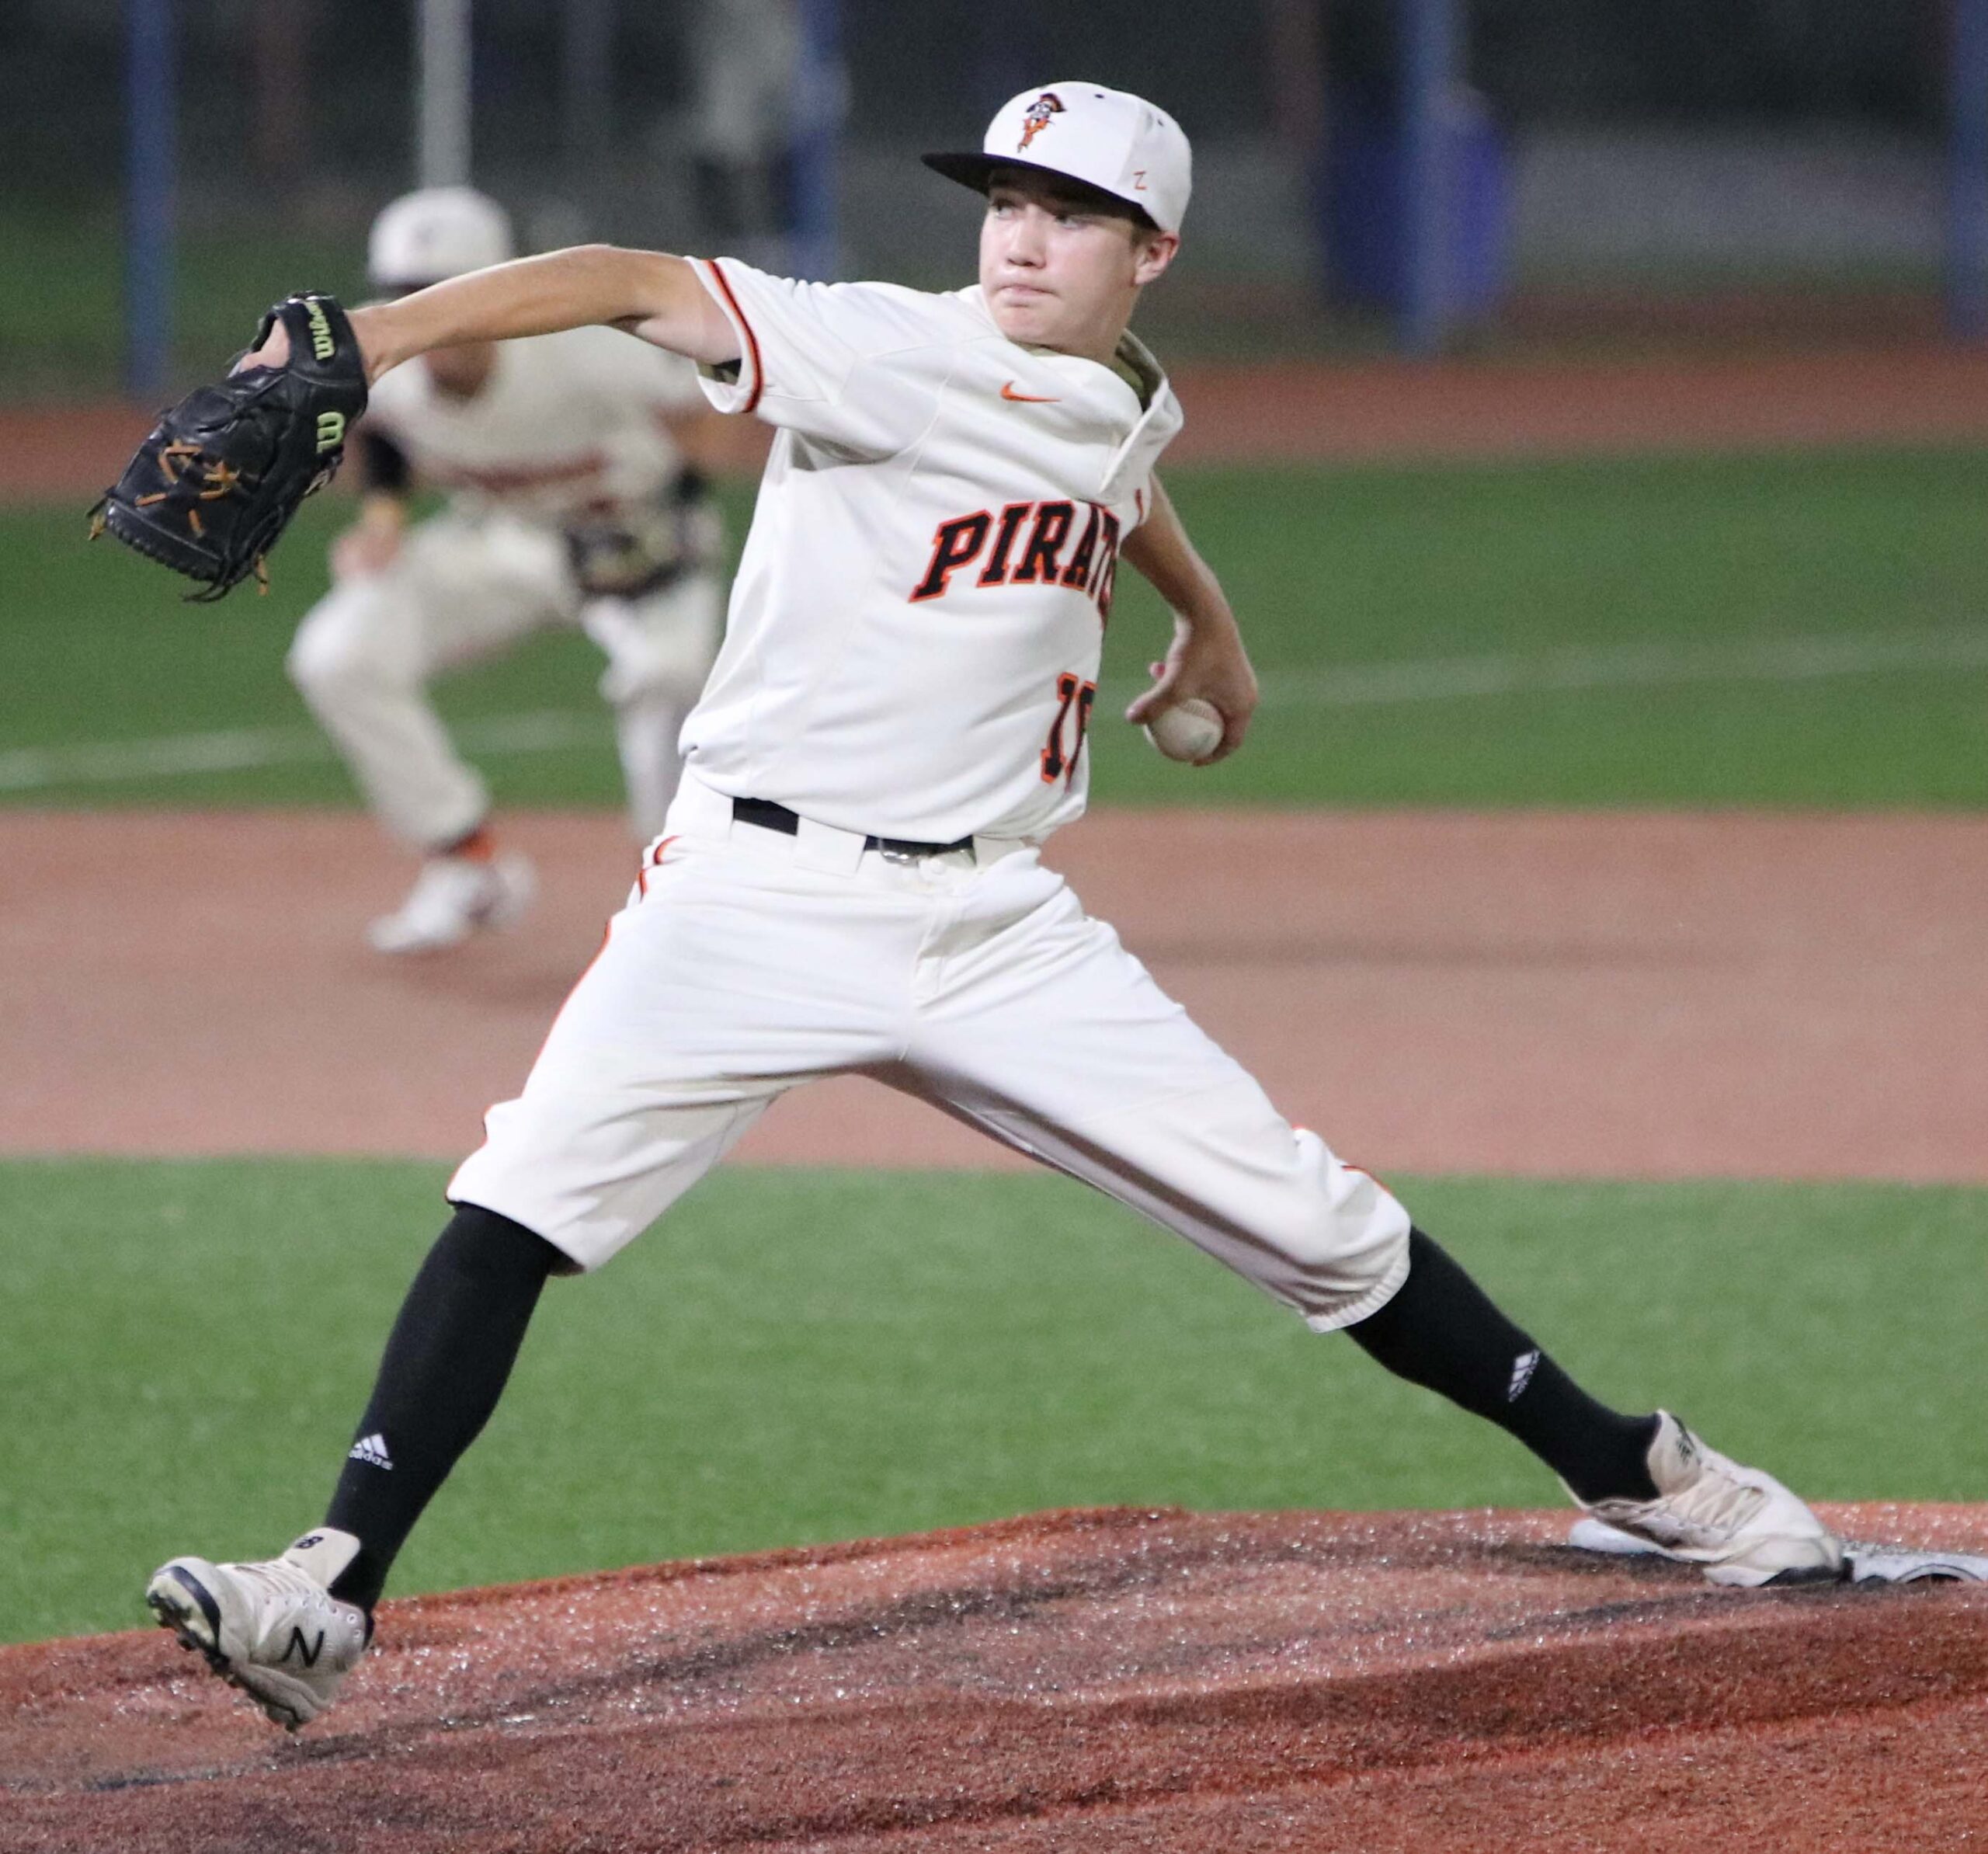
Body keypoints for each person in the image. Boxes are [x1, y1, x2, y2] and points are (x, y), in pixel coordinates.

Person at [147, 83, 1843, 1731]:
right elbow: (627, 278)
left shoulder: (1119, 389)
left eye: (1072, 217)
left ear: (1152, 253)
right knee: (518, 1197)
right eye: (1008, 205)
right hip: (748, 893)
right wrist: (373, 336)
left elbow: (1116, 463)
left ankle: (1637, 1468)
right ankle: (328, 1587)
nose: (1022, 242)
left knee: (1317, 1222)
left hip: (995, 927)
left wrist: (1208, 619)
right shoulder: (884, 344)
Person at [288, 186, 728, 954]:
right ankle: (467, 862)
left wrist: (683, 502)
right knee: (339, 652)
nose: (426, 307)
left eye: (445, 287)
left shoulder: (585, 349)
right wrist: (382, 520)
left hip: (639, 540)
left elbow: (708, 411)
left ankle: (676, 900)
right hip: (505, 541)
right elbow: (382, 432)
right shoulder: (381, 356)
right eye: (405, 291)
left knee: (667, 678)